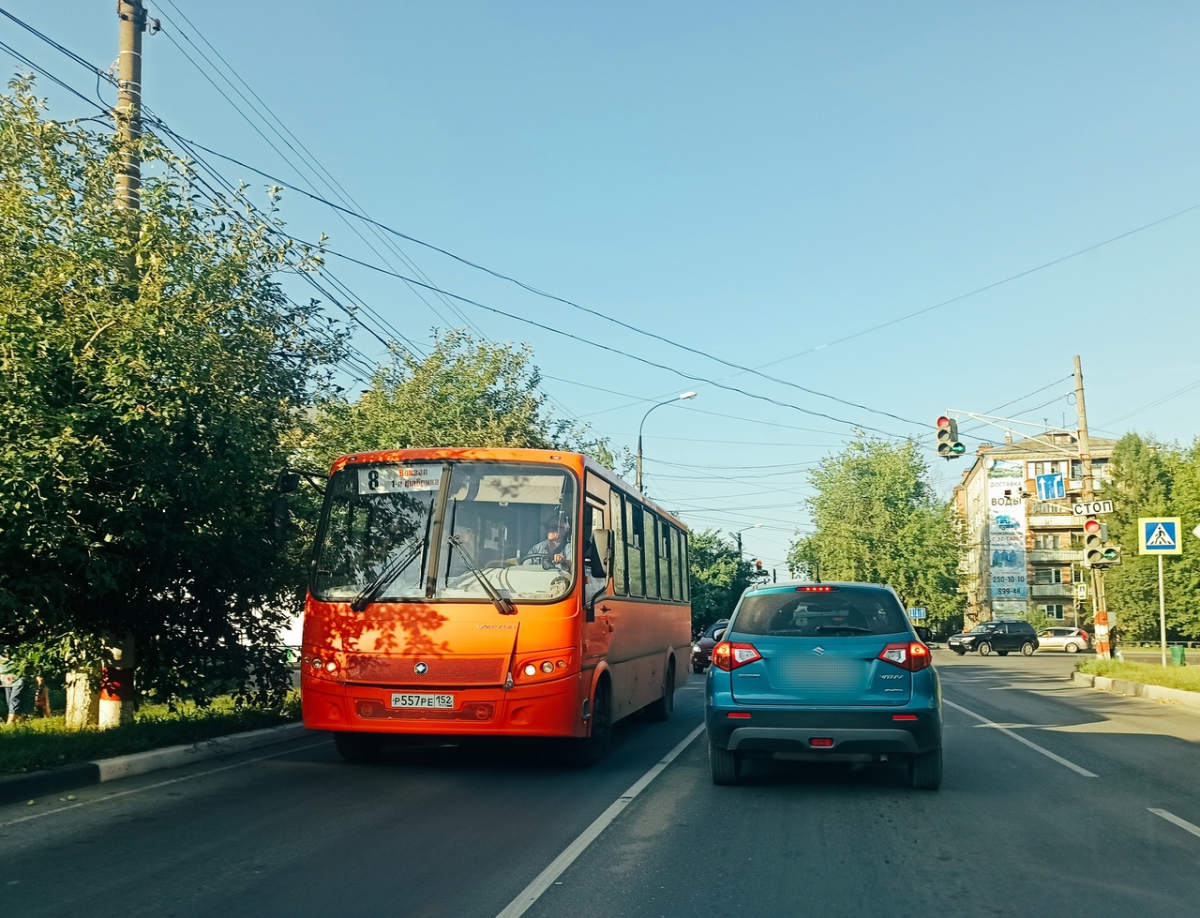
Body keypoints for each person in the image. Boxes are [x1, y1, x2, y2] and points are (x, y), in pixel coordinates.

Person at [0, 647, 26, 725]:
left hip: (18, 677)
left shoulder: (17, 649)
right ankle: (18, 719)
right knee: (9, 701)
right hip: (6, 679)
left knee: (14, 699)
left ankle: (10, 722)